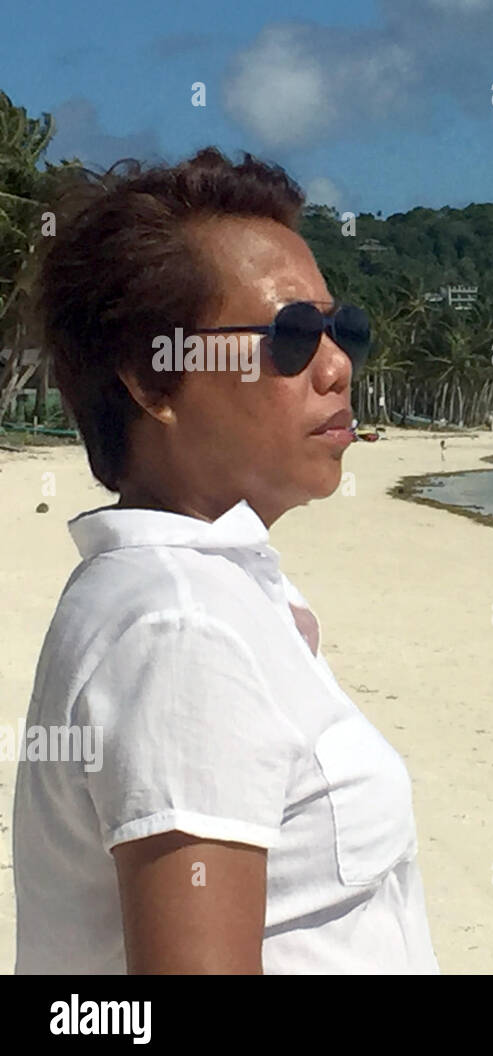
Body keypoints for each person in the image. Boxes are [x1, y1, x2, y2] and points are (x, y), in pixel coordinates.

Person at [14, 148, 439, 975]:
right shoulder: (181, 630)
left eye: (340, 329)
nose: (337, 366)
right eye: (290, 337)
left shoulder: (194, 591)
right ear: (152, 377)